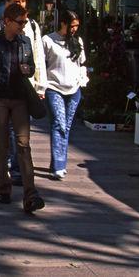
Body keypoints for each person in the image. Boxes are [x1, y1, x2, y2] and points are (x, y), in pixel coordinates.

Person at [0, 2, 45, 213]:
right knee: (3, 145)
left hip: (20, 99)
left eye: (25, 22)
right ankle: (3, 188)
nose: (23, 26)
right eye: (20, 22)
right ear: (7, 21)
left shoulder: (25, 41)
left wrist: (28, 70)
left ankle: (31, 193)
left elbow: (32, 68)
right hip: (0, 99)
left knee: (23, 144)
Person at [43, 10, 88, 180]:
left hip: (74, 88)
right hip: (54, 87)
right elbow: (41, 64)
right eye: (72, 25)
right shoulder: (47, 40)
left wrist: (82, 79)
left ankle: (58, 162)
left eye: (77, 26)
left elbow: (81, 63)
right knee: (58, 124)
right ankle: (58, 166)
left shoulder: (78, 41)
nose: (75, 29)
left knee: (66, 126)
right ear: (62, 23)